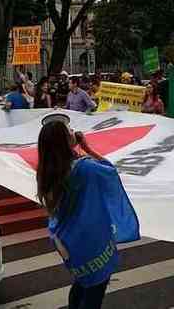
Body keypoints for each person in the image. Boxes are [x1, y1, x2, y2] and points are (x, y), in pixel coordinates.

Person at [36, 116, 139, 309]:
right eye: (69, 130)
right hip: (90, 241)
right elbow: (109, 170)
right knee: (95, 291)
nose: (73, 131)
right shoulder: (85, 168)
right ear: (66, 140)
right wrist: (87, 148)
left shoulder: (47, 171)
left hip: (67, 240)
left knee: (82, 283)